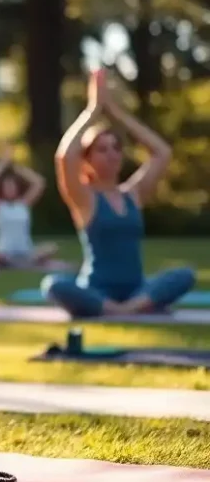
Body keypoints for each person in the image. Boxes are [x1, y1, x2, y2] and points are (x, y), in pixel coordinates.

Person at [41, 68, 195, 317]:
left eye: (116, 147)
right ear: (87, 161)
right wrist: (93, 111)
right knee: (53, 285)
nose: (112, 153)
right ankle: (119, 308)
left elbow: (162, 153)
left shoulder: (133, 194)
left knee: (185, 274)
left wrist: (116, 113)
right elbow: (65, 157)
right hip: (96, 290)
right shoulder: (84, 198)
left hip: (137, 290)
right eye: (102, 149)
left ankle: (123, 308)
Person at [0, 144, 58, 268]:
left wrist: (16, 167)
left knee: (51, 248)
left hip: (26, 250)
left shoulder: (24, 204)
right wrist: (3, 164)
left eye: (12, 186)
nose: (10, 189)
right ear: (2, 189)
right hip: (3, 251)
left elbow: (39, 183)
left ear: (17, 188)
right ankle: (6, 260)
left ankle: (22, 260)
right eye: (7, 187)